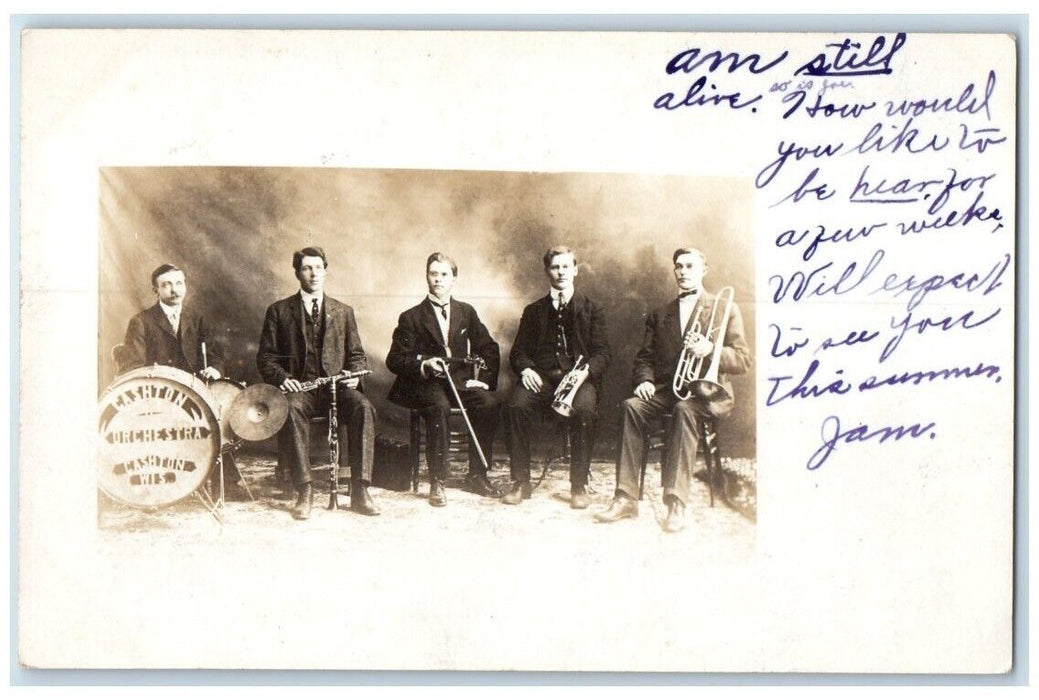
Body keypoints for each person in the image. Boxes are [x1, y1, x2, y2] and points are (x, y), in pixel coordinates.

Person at [596, 248, 751, 532]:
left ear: (704, 269)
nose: (683, 271)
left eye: (690, 266)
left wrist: (711, 348)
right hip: (670, 389)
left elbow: (743, 359)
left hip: (709, 394)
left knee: (684, 410)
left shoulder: (724, 307)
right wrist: (644, 380)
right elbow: (644, 357)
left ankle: (675, 501)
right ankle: (625, 496)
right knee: (632, 406)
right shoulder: (660, 314)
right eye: (678, 266)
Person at [257, 246, 379, 520]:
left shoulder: (343, 311)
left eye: (318, 268)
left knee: (364, 408)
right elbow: (266, 358)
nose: (313, 273)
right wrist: (284, 379)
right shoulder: (278, 311)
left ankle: (361, 490)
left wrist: (355, 375)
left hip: (337, 386)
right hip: (302, 389)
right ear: (297, 273)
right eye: (306, 268)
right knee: (292, 408)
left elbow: (357, 355)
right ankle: (305, 490)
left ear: (325, 270)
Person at [386, 252, 502, 507]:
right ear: (426, 276)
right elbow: (394, 360)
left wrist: (483, 380)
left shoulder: (466, 312)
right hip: (426, 385)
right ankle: (438, 481)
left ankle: (477, 476)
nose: (437, 280)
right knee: (438, 408)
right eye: (433, 273)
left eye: (444, 274)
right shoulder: (411, 317)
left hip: (459, 382)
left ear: (454, 279)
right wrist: (423, 365)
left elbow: (489, 347)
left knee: (488, 403)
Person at [502, 246, 611, 509]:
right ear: (547, 272)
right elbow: (518, 352)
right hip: (542, 380)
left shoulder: (592, 309)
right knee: (515, 405)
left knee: (585, 411)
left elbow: (603, 353)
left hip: (579, 380)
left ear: (575, 270)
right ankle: (521, 482)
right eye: (555, 267)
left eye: (565, 267)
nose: (561, 272)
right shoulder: (533, 311)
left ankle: (578, 485)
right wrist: (527, 370)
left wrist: (585, 373)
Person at [118, 263, 224, 378]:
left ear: (185, 286)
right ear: (155, 290)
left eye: (179, 283)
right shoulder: (140, 322)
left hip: (194, 390)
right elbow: (133, 368)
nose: (174, 290)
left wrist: (214, 370)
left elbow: (214, 358)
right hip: (157, 390)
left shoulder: (198, 320)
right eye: (166, 285)